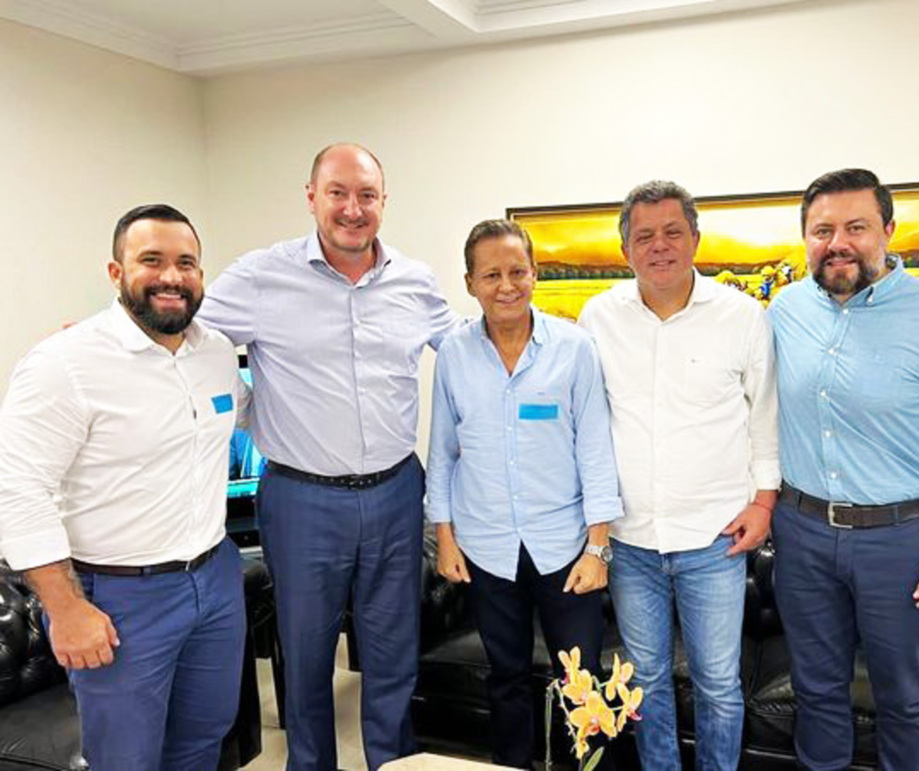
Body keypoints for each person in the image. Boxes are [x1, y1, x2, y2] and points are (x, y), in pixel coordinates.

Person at [198, 143, 460, 771]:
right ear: (311, 197)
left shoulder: (415, 281)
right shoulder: (261, 276)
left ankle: (393, 762)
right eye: (338, 193)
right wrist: (106, 338)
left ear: (383, 203)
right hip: (301, 497)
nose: (352, 208)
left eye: (366, 195)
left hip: (398, 491)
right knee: (308, 656)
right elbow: (183, 334)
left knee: (393, 651)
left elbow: (468, 355)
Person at [767, 168, 919, 770]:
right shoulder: (784, 310)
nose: (838, 242)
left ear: (889, 231)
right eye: (822, 230)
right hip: (799, 536)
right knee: (818, 693)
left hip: (900, 542)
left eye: (856, 226)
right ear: (806, 238)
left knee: (904, 701)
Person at [0, 204, 249, 770]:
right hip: (120, 601)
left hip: (214, 582)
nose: (171, 277)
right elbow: (18, 492)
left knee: (203, 741)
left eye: (186, 263)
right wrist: (66, 610)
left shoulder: (213, 353)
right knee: (126, 760)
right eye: (151, 261)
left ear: (201, 276)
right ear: (116, 273)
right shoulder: (64, 363)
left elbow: (247, 417)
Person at [577, 180, 779, 771]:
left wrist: (764, 504)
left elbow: (765, 416)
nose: (659, 246)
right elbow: (586, 423)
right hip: (631, 541)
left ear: (694, 238)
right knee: (646, 684)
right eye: (644, 236)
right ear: (625, 250)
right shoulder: (599, 317)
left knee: (718, 684)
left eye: (672, 232)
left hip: (714, 539)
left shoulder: (741, 316)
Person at [426, 219, 623, 768]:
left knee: (581, 681)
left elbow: (597, 453)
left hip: (565, 550)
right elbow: (442, 452)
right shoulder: (454, 355)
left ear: (535, 274)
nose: (506, 285)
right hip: (487, 550)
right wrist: (444, 537)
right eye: (491, 274)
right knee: (506, 677)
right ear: (470, 283)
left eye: (517, 271)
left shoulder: (575, 349)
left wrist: (598, 547)